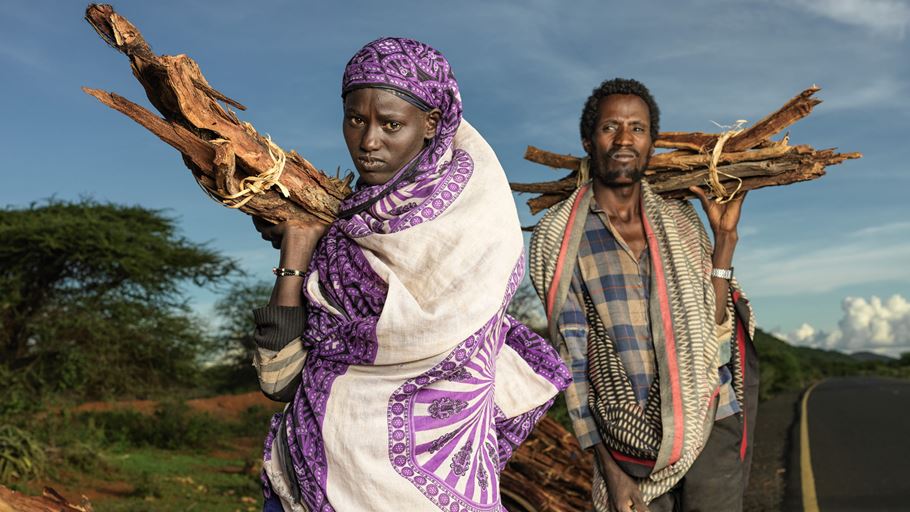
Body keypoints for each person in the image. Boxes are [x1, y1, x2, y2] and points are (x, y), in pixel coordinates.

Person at [250, 37, 571, 512]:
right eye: (356, 119)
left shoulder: (477, 230)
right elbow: (277, 381)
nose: (368, 141)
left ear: (431, 125)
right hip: (307, 483)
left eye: (391, 124)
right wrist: (298, 248)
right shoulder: (337, 227)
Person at [529, 78, 759, 512]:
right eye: (609, 127)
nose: (623, 139)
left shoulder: (681, 222)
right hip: (628, 443)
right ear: (587, 139)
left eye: (637, 128)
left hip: (711, 413)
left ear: (651, 142)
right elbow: (571, 364)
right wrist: (610, 472)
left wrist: (724, 241)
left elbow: (714, 327)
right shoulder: (558, 236)